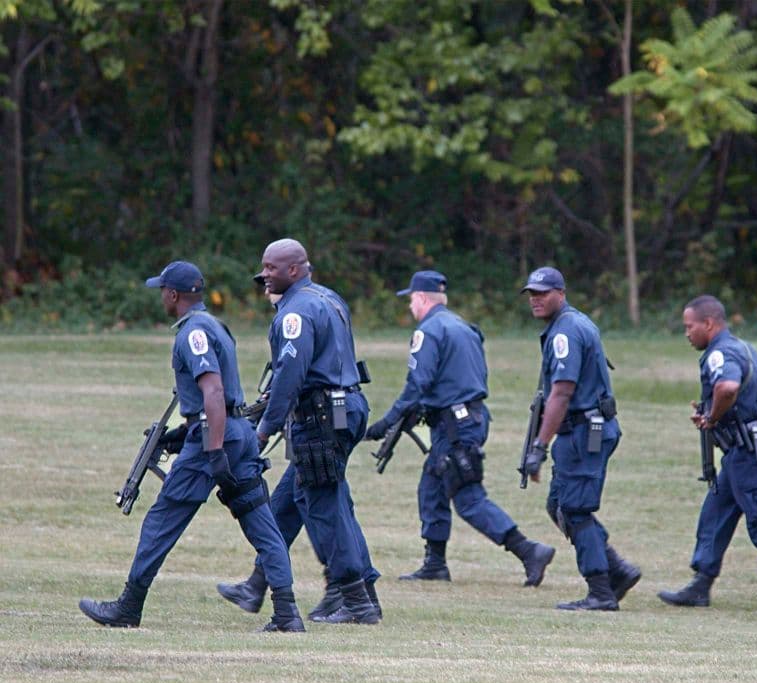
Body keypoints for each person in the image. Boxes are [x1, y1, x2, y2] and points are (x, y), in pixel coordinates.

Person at [79, 261, 303, 632]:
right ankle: (287, 613)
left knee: (162, 518)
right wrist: (182, 434)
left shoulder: (192, 334)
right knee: (261, 523)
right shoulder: (216, 326)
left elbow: (213, 391)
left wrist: (212, 451)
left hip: (214, 441)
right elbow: (223, 399)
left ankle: (128, 607)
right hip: (238, 433)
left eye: (162, 291)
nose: (160, 297)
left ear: (173, 294)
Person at [216, 239, 381, 625]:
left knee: (324, 504)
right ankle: (257, 583)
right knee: (291, 499)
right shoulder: (328, 298)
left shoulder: (295, 313)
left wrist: (264, 429)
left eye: (271, 269)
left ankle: (356, 600)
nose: (264, 277)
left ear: (294, 270)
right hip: (345, 407)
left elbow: (290, 374)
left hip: (321, 416)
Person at [364, 271, 556, 585]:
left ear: (423, 298)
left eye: (411, 298)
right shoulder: (464, 327)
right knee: (431, 485)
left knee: (468, 497)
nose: (411, 305)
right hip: (470, 418)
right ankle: (435, 563)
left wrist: (384, 424)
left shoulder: (427, 331)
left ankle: (527, 550)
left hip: (455, 426)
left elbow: (417, 385)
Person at [658, 296, 757, 612]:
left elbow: (727, 387)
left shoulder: (720, 354)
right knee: (716, 512)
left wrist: (711, 416)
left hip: (752, 453)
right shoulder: (742, 347)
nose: (686, 333)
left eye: (689, 326)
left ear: (708, 324)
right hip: (745, 451)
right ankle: (701, 585)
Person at [520, 266, 641, 611]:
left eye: (543, 293)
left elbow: (561, 392)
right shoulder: (570, 324)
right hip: (582, 430)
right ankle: (616, 568)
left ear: (561, 292)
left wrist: (539, 447)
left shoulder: (566, 331)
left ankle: (601, 591)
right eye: (531, 294)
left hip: (585, 430)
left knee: (574, 509)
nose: (536, 300)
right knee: (558, 505)